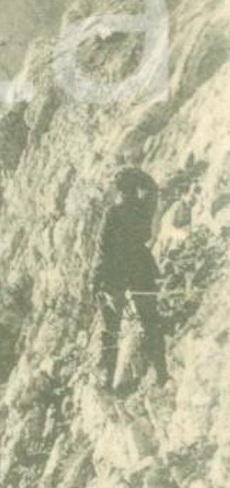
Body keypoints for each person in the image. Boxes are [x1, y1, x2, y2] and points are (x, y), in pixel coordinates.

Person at [91, 167, 168, 390]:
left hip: (115, 271)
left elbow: (103, 249)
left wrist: (96, 280)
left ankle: (107, 380)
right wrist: (136, 173)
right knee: (150, 321)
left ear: (120, 191)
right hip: (142, 265)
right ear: (136, 189)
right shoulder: (144, 206)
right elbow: (152, 187)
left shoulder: (113, 213)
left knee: (111, 328)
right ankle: (161, 373)